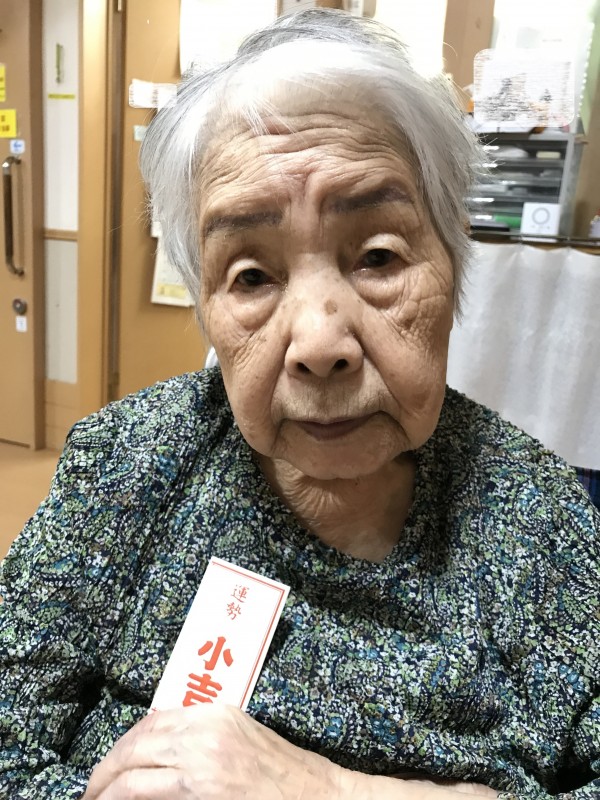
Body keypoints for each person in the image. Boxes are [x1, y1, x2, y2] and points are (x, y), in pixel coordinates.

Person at [1, 9, 598, 799]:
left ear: (451, 260)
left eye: (378, 257)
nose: (320, 343)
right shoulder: (128, 464)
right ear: (206, 303)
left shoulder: (541, 517)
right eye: (251, 275)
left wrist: (337, 791)